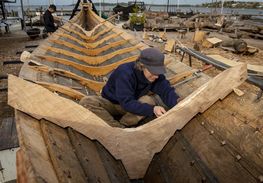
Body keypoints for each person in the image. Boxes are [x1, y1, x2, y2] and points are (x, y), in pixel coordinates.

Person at [79, 48, 180, 128]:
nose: (156, 76)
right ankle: (117, 128)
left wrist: (179, 106)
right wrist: (153, 109)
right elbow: (126, 102)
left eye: (158, 72)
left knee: (148, 100)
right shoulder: (125, 73)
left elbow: (167, 91)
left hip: (132, 105)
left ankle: (124, 125)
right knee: (86, 101)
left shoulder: (156, 76)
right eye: (153, 72)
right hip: (112, 104)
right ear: (142, 66)